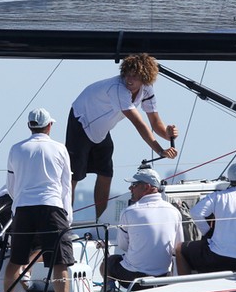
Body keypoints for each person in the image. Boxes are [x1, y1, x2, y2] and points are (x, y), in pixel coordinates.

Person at [67, 53, 178, 220]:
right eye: (127, 75)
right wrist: (160, 151)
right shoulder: (119, 88)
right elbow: (139, 124)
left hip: (102, 129)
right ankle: (65, 222)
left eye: (135, 77)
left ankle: (100, 222)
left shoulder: (147, 90)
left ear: (145, 78)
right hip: (81, 121)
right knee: (73, 176)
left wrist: (167, 133)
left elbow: (155, 124)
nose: (129, 80)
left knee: (106, 173)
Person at [1, 108, 75, 292]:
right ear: (50, 125)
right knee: (59, 262)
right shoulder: (60, 149)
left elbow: (11, 186)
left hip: (24, 208)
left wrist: (18, 207)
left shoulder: (16, 149)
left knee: (16, 260)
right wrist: (67, 215)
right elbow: (66, 186)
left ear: (29, 126)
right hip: (52, 208)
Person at [101, 168, 184, 288]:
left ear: (146, 187)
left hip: (133, 279)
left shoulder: (129, 212)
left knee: (108, 263)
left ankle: (109, 291)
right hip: (163, 279)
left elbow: (123, 246)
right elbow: (177, 247)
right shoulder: (174, 211)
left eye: (134, 185)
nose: (130, 189)